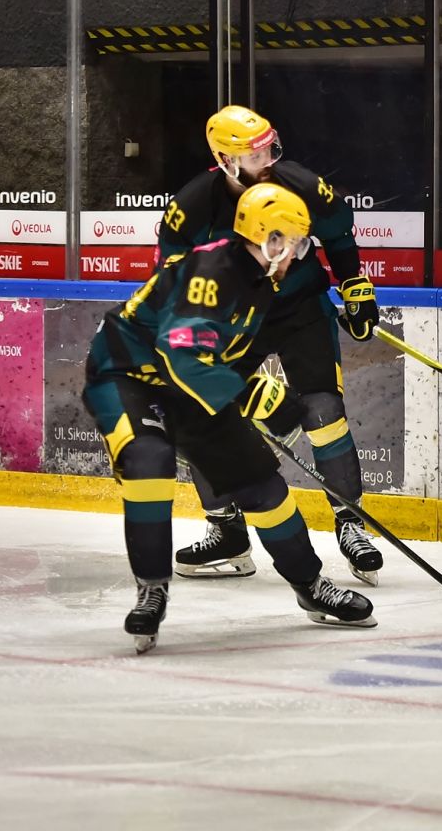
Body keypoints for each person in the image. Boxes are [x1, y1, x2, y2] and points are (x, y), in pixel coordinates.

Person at [83, 184, 377, 653]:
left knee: (262, 487)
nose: (300, 253)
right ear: (269, 240)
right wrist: (254, 394)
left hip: (185, 383)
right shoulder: (214, 272)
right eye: (295, 243)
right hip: (128, 376)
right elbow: (182, 355)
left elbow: (211, 356)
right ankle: (151, 589)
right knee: (148, 461)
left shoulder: (261, 280)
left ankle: (310, 585)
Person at [161, 104, 384, 586]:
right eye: (254, 154)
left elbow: (338, 235)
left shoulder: (301, 183)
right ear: (225, 160)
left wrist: (355, 287)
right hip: (235, 319)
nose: (267, 161)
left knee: (324, 411)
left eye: (270, 149)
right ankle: (227, 531)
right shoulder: (193, 207)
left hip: (301, 309)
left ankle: (350, 523)